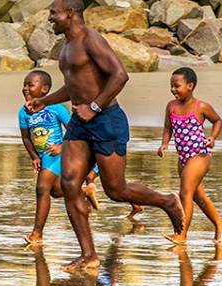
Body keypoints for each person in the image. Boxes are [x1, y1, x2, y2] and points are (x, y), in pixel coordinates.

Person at [26, 0, 184, 270]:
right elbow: (76, 86)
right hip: (79, 123)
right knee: (70, 183)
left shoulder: (90, 40)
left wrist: (95, 107)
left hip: (106, 120)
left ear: (71, 13)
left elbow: (120, 75)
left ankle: (168, 202)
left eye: (54, 12)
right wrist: (45, 100)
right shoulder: (66, 46)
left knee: (116, 190)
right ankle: (89, 255)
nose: (50, 17)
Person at [18, 70, 137, 245]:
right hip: (44, 157)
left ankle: (37, 233)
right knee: (57, 191)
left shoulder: (56, 108)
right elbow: (26, 137)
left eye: (30, 84)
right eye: (24, 84)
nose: (25, 88)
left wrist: (62, 147)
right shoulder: (23, 112)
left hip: (59, 154)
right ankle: (87, 192)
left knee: (42, 188)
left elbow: (73, 128)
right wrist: (34, 156)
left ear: (45, 89)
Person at [158, 67, 222, 244]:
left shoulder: (200, 106)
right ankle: (219, 223)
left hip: (200, 156)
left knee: (185, 192)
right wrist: (164, 143)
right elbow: (168, 128)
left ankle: (182, 234)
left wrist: (212, 137)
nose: (173, 89)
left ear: (190, 86)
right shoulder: (171, 106)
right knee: (198, 196)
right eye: (171, 85)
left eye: (177, 86)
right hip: (183, 158)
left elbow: (218, 121)